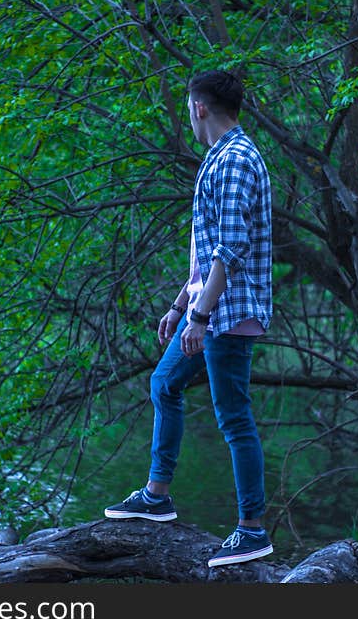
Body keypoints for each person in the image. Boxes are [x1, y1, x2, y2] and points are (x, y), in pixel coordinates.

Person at [104, 70, 273, 567]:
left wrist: (198, 316)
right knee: (165, 383)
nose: (189, 118)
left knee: (234, 417)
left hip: (228, 312)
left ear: (199, 107)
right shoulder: (218, 159)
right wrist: (181, 306)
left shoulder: (237, 159)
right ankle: (157, 497)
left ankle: (252, 529)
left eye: (188, 109)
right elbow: (207, 256)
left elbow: (231, 248)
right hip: (205, 308)